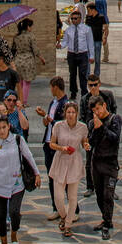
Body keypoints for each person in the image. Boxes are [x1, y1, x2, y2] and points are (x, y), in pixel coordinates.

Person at [0, 113, 40, 244]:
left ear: (9, 126)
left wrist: (37, 173)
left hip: (17, 183)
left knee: (14, 212)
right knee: (1, 215)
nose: (2, 130)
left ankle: (14, 235)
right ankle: (3, 242)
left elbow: (28, 156)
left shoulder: (18, 140)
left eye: (4, 127)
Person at [48, 100, 88, 237]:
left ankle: (68, 224)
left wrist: (86, 145)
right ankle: (64, 217)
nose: (71, 115)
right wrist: (61, 148)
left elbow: (84, 142)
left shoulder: (82, 127)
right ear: (65, 113)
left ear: (77, 114)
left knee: (72, 196)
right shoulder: (58, 126)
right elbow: (51, 144)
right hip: (60, 160)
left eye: (73, 112)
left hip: (74, 162)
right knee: (58, 196)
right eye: (68, 112)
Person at [87, 94, 122, 240]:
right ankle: (106, 219)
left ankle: (107, 224)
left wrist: (102, 128)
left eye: (99, 109)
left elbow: (115, 138)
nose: (97, 112)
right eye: (94, 110)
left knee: (108, 194)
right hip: (97, 162)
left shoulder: (115, 119)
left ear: (104, 106)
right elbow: (92, 142)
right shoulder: (91, 123)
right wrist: (95, 129)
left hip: (111, 163)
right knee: (100, 194)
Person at [35, 77, 69, 218]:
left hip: (58, 145)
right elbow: (48, 123)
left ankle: (74, 208)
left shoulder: (66, 104)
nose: (50, 90)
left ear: (55, 87)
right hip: (48, 142)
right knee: (51, 177)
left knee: (63, 178)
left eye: (51, 87)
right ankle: (55, 207)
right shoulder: (53, 103)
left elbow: (62, 125)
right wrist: (45, 118)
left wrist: (47, 117)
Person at [79, 74, 117, 196]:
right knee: (89, 160)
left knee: (111, 161)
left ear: (99, 84)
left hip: (107, 131)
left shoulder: (107, 96)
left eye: (95, 84)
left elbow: (114, 110)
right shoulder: (85, 99)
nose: (93, 87)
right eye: (91, 85)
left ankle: (111, 188)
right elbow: (82, 117)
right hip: (92, 133)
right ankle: (90, 186)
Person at [59, 7, 94, 97]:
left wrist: (92, 56)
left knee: (83, 74)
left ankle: (84, 92)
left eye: (75, 18)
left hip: (82, 54)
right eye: (72, 19)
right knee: (72, 74)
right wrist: (60, 46)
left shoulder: (86, 29)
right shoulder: (68, 30)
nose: (73, 20)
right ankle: (73, 92)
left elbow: (90, 43)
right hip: (72, 54)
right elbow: (65, 41)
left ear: (80, 19)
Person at [12, 18, 45, 105]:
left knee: (20, 82)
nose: (31, 28)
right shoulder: (31, 36)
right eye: (31, 26)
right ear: (27, 27)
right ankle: (24, 102)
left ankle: (20, 100)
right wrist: (41, 58)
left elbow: (13, 49)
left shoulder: (16, 36)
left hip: (18, 60)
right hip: (28, 61)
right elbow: (35, 50)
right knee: (27, 82)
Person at [85, 1, 108, 77]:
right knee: (88, 58)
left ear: (93, 10)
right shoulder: (88, 17)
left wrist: (104, 37)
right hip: (89, 41)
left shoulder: (101, 17)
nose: (88, 12)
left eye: (88, 10)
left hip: (97, 40)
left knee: (97, 59)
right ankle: (87, 74)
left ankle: (96, 74)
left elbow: (105, 28)